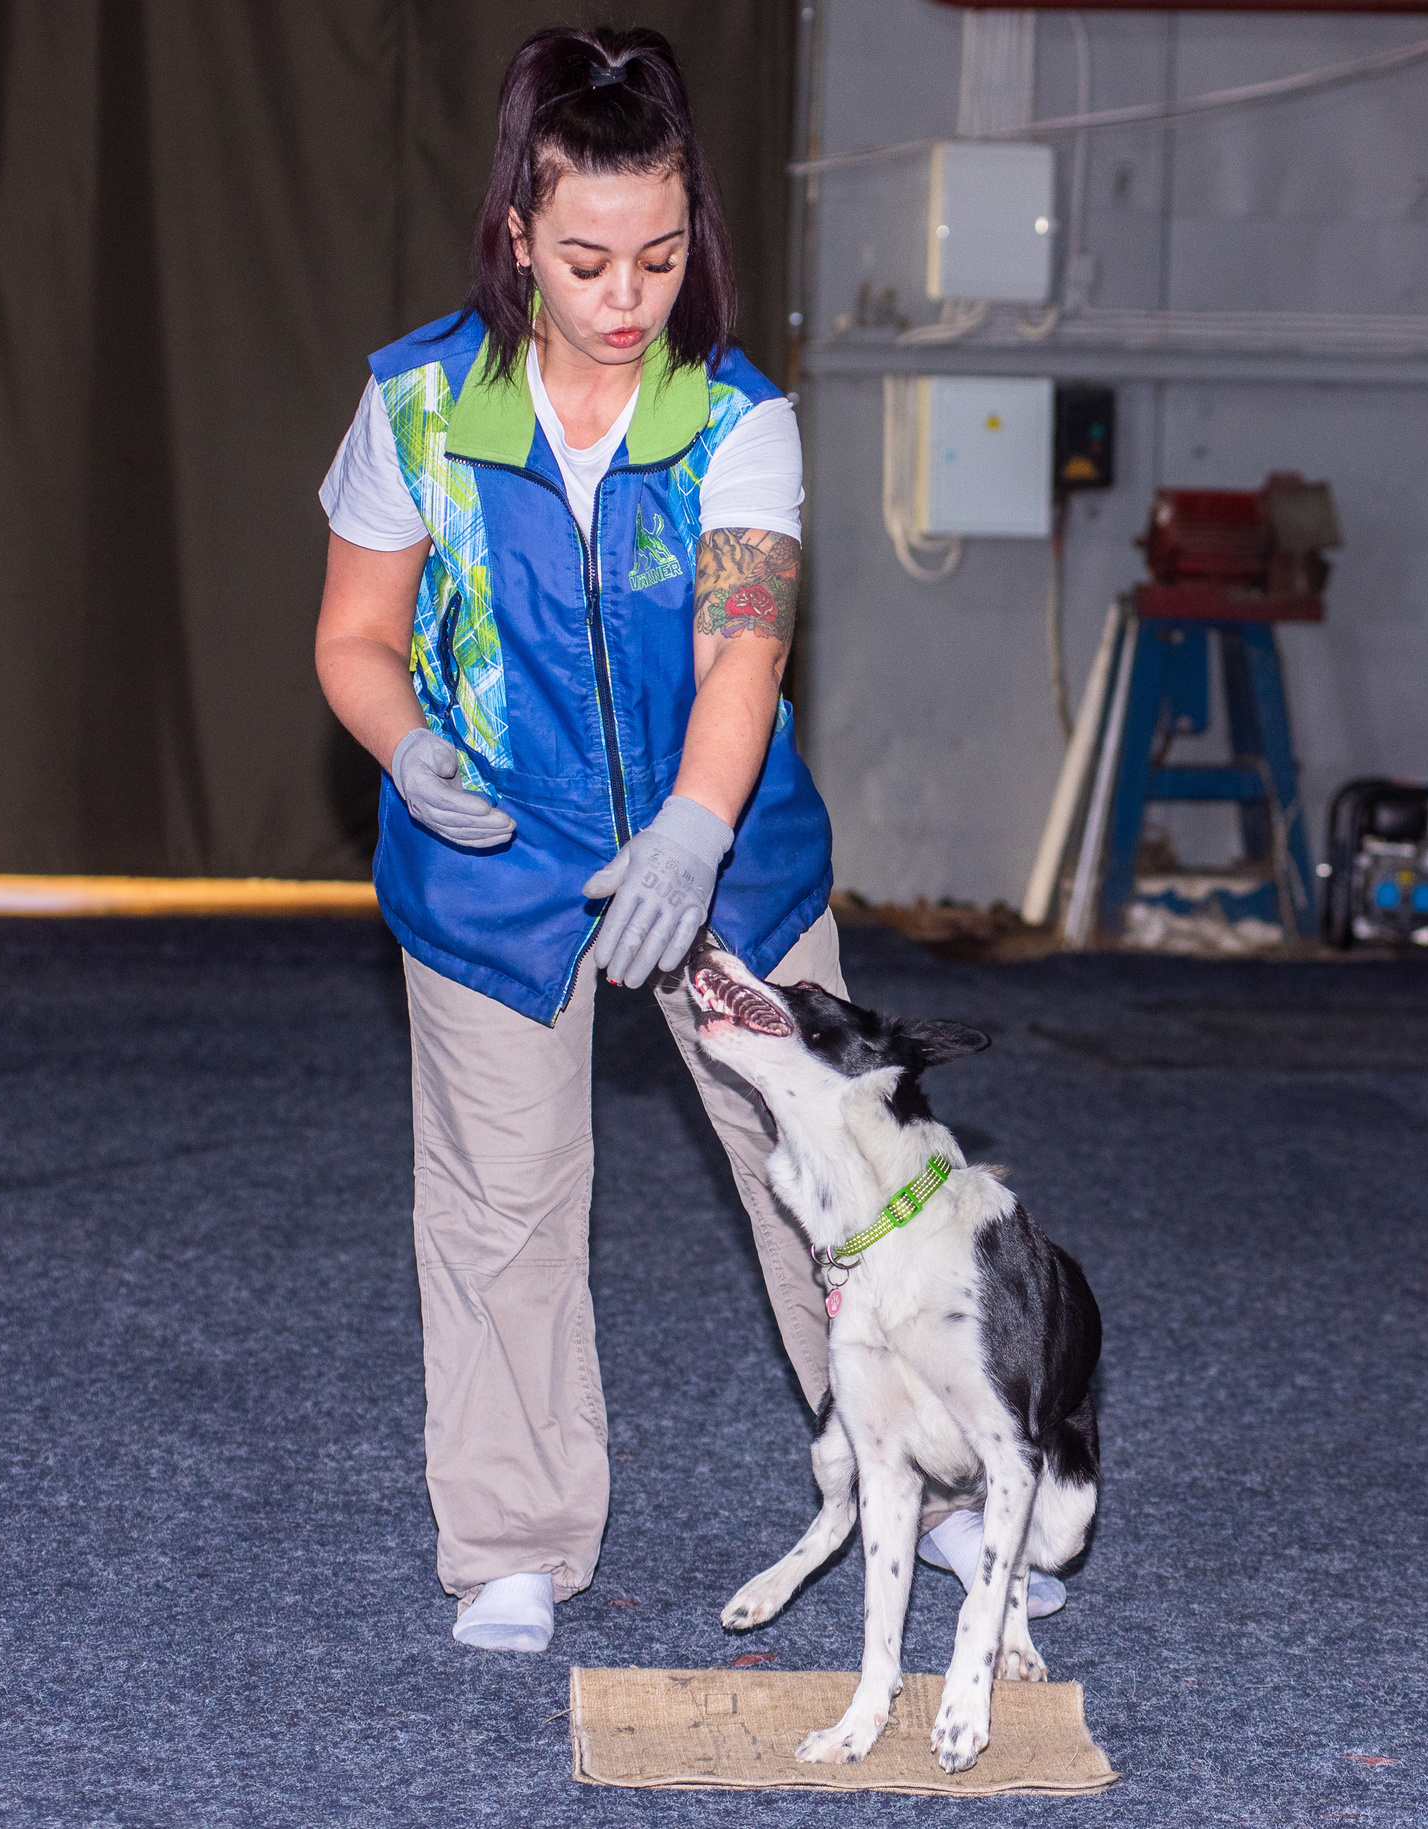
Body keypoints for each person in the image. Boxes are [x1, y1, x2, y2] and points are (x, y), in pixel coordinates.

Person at [312, 24, 1051, 1655]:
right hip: (492, 862)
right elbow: (354, 632)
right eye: (586, 259)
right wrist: (408, 744)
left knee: (838, 1192)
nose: (627, 295)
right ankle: (509, 1535)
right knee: (501, 1202)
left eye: (658, 254)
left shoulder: (740, 418)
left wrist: (695, 831)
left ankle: (918, 1497)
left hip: (730, 861)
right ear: (518, 233)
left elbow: (745, 649)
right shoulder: (416, 404)